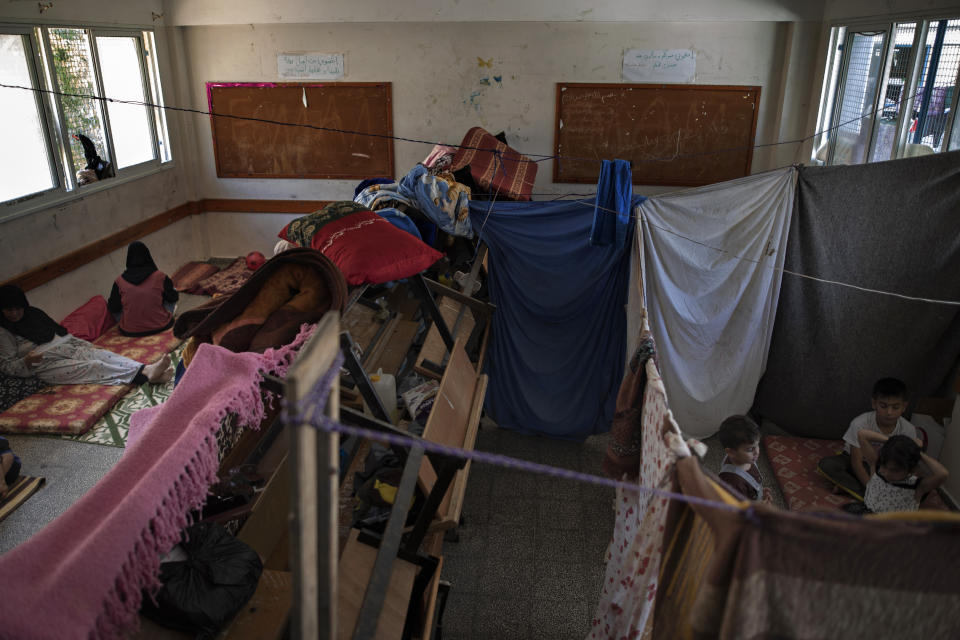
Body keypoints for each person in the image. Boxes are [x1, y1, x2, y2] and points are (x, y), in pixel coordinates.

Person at [0, 285, 172, 386]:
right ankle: (146, 374)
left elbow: (61, 334)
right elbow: (7, 366)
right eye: (9, 310)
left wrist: (84, 345)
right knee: (93, 366)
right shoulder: (4, 331)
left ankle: (147, 370)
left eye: (18, 308)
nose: (15, 314)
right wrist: (26, 361)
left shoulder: (34, 314)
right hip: (44, 364)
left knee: (101, 354)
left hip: (66, 348)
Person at [818, 377, 917, 499]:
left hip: (885, 467)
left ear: (904, 407)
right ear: (874, 403)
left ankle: (848, 487)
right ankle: (867, 494)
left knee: (909, 482)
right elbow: (856, 462)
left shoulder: (908, 429)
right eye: (883, 406)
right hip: (853, 460)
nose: (889, 412)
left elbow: (906, 463)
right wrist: (871, 487)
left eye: (895, 407)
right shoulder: (860, 423)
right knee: (828, 465)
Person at [857, 430, 948, 513]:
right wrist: (895, 443)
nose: (887, 473)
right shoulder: (877, 470)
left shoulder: (917, 486)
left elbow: (943, 474)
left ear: (911, 470)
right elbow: (862, 434)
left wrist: (916, 451)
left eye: (895, 471)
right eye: (884, 466)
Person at [107, 241, 178, 337]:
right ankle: (158, 316)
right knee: (171, 290)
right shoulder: (160, 276)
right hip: (161, 325)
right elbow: (173, 298)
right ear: (147, 255)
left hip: (130, 331)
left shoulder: (119, 281)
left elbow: (113, 308)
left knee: (119, 305)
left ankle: (134, 322)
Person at [717, 414, 764, 501]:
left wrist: (760, 492)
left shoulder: (747, 459)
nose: (757, 452)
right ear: (730, 452)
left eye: (757, 445)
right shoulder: (733, 482)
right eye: (750, 449)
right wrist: (761, 507)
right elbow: (738, 510)